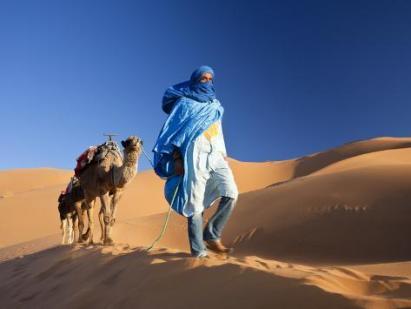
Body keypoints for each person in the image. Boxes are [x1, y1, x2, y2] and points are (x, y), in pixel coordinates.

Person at [153, 65, 238, 258]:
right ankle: (198, 251)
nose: (207, 82)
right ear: (195, 80)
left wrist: (224, 153)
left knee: (231, 193)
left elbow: (219, 131)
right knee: (194, 203)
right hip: (194, 154)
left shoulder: (216, 106)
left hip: (216, 154)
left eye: (210, 79)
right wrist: (176, 158)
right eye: (203, 79)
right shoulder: (184, 103)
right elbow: (173, 131)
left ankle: (212, 234)